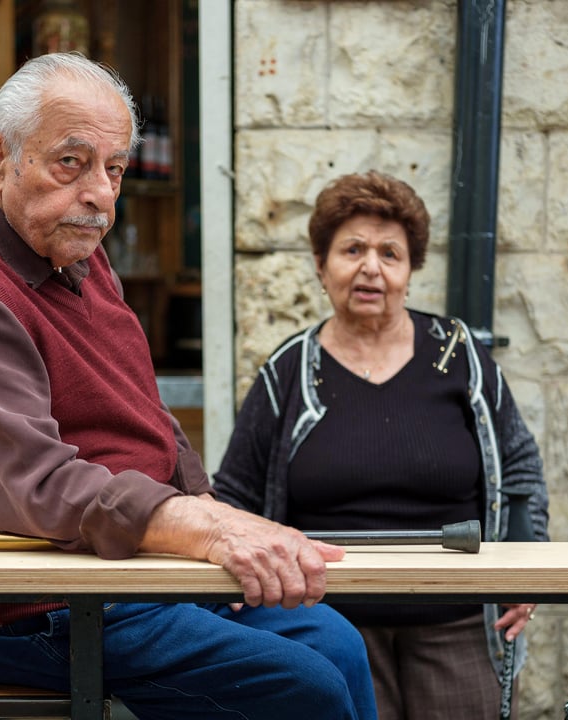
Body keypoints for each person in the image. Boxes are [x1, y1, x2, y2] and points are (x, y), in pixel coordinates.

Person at [0, 52, 377, 720]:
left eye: (115, 169)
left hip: (117, 572)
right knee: (299, 686)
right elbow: (39, 486)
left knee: (336, 642)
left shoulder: (72, 244)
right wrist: (205, 532)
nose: (102, 195)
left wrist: (212, 511)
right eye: (72, 163)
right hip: (17, 606)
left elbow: (141, 413)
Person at [213, 170, 549, 720]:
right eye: (352, 249)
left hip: (458, 624)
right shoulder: (289, 372)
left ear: (410, 271)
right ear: (322, 266)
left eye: (390, 253)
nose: (371, 267)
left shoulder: (460, 358)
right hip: (330, 626)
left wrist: (523, 568)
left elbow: (519, 469)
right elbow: (234, 493)